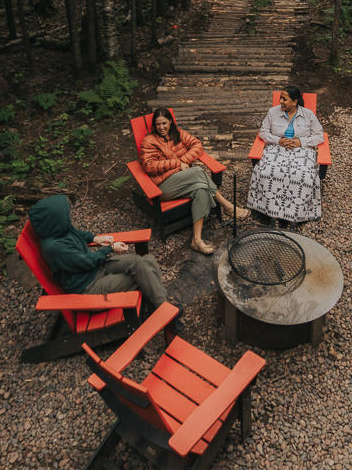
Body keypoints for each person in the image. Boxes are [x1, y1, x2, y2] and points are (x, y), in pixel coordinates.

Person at [28, 194, 175, 320]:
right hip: (89, 287)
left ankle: (159, 305)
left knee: (146, 260)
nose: (69, 216)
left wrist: (95, 238)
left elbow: (77, 233)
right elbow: (88, 262)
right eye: (65, 214)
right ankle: (165, 313)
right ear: (55, 218)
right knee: (143, 274)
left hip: (97, 269)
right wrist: (110, 248)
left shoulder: (59, 230)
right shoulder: (54, 248)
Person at [139, 107, 249, 255]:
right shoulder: (149, 141)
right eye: (158, 124)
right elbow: (149, 166)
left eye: (164, 123)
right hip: (163, 186)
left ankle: (196, 240)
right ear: (154, 125)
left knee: (201, 189)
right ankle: (227, 206)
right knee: (198, 171)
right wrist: (177, 163)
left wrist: (183, 161)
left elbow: (197, 146)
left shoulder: (178, 133)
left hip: (185, 179)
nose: (161, 127)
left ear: (170, 122)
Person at [246, 85, 323, 226]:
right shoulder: (273, 112)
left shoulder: (308, 115)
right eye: (280, 98)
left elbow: (319, 135)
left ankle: (295, 213)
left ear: (295, 101)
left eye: (284, 99)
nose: (280, 101)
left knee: (303, 175)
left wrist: (301, 142)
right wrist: (278, 140)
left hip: (302, 151)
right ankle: (269, 211)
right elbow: (263, 132)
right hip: (276, 148)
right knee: (266, 171)